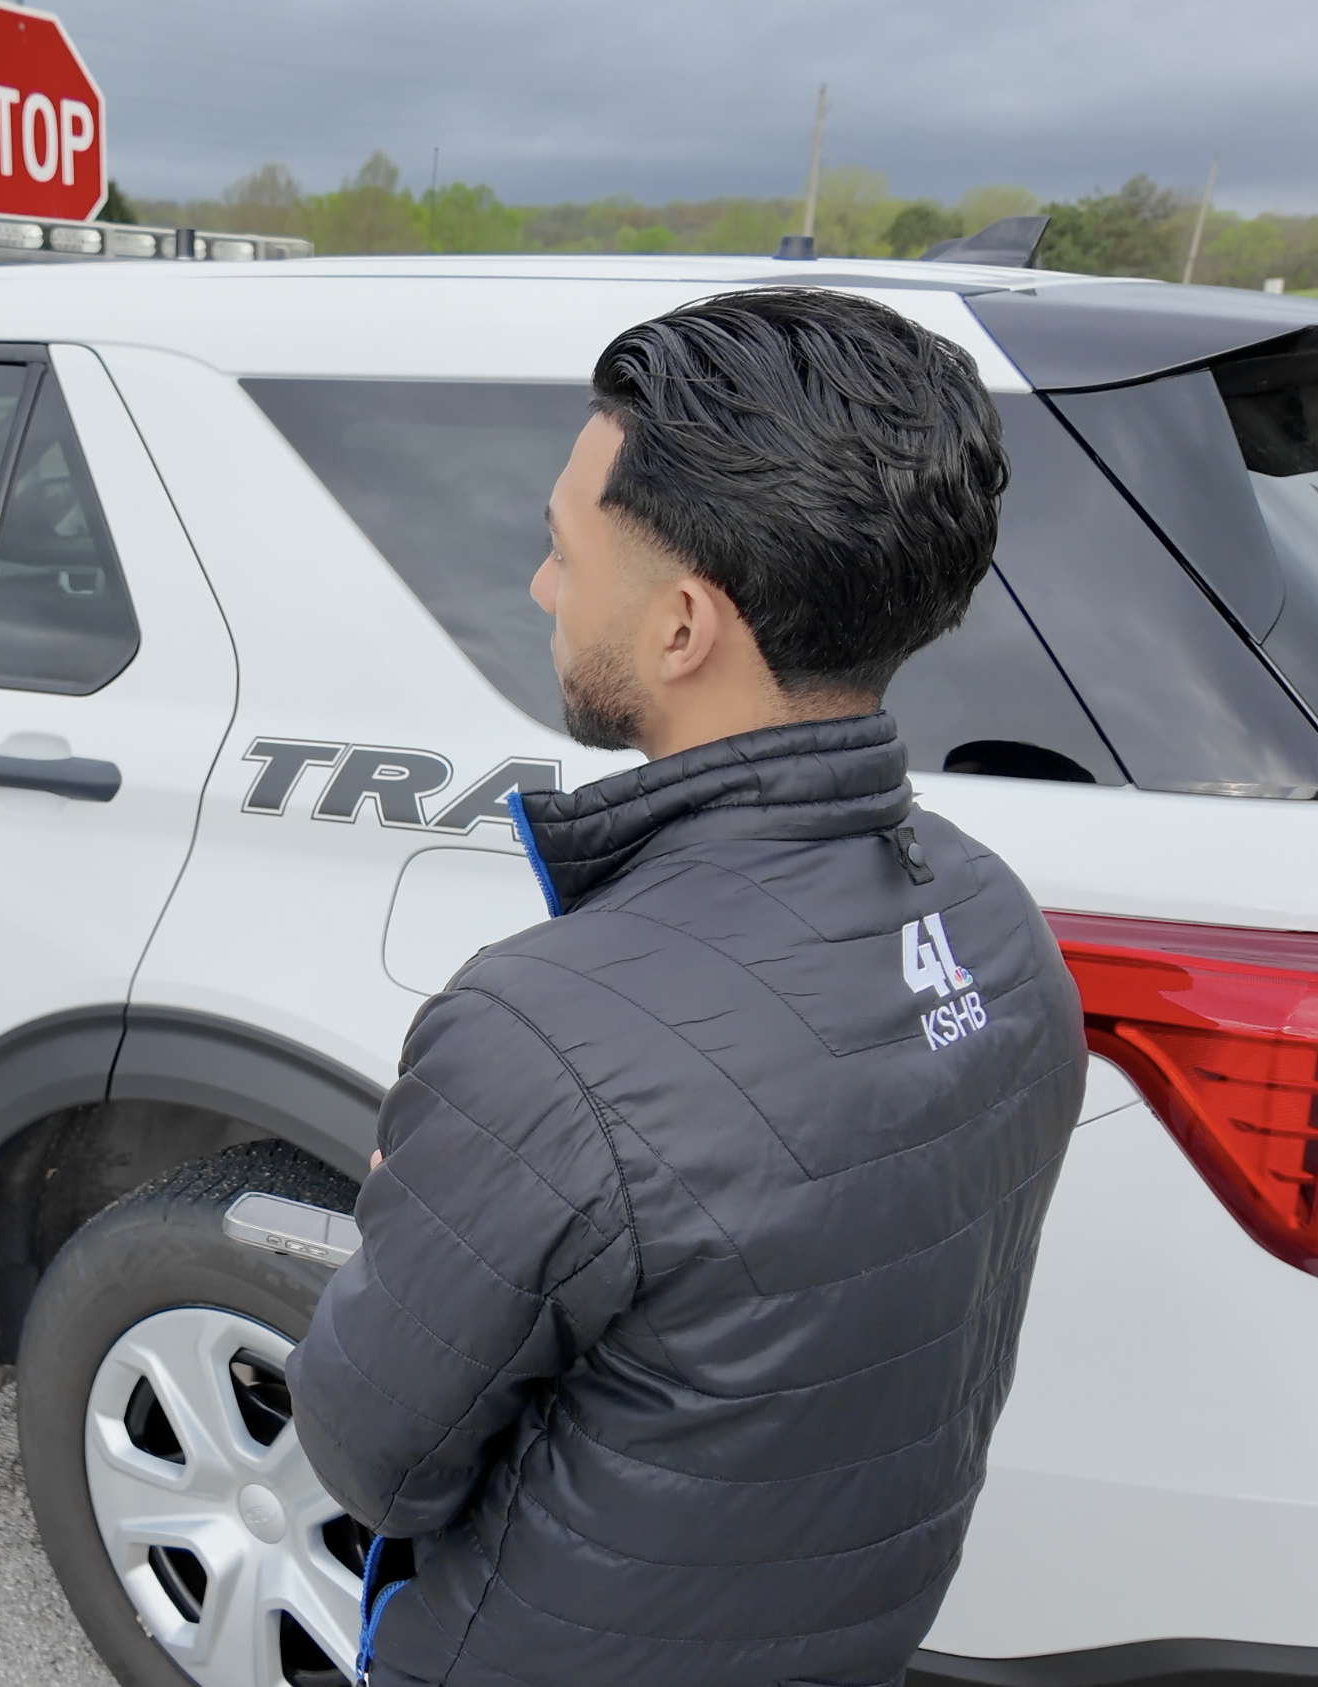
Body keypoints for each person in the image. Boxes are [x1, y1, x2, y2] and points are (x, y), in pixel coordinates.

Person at [286, 289, 1086, 1687]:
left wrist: (413, 1233)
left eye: (563, 549)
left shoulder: (543, 1040)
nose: (542, 588)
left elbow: (373, 1452)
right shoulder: (990, 915)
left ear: (680, 626)